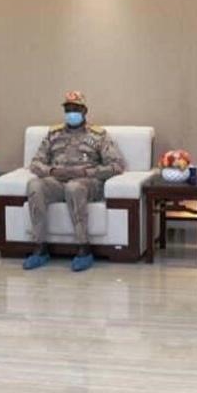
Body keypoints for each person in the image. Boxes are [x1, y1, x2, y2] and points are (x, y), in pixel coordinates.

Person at [23, 91, 125, 272]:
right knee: (35, 185)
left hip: (86, 182)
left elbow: (116, 165)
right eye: (68, 109)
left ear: (85, 111)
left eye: (76, 109)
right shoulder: (53, 134)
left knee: (74, 188)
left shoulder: (99, 135)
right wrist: (51, 171)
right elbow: (36, 163)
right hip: (57, 180)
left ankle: (84, 249)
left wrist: (86, 172)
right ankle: (40, 248)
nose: (71, 113)